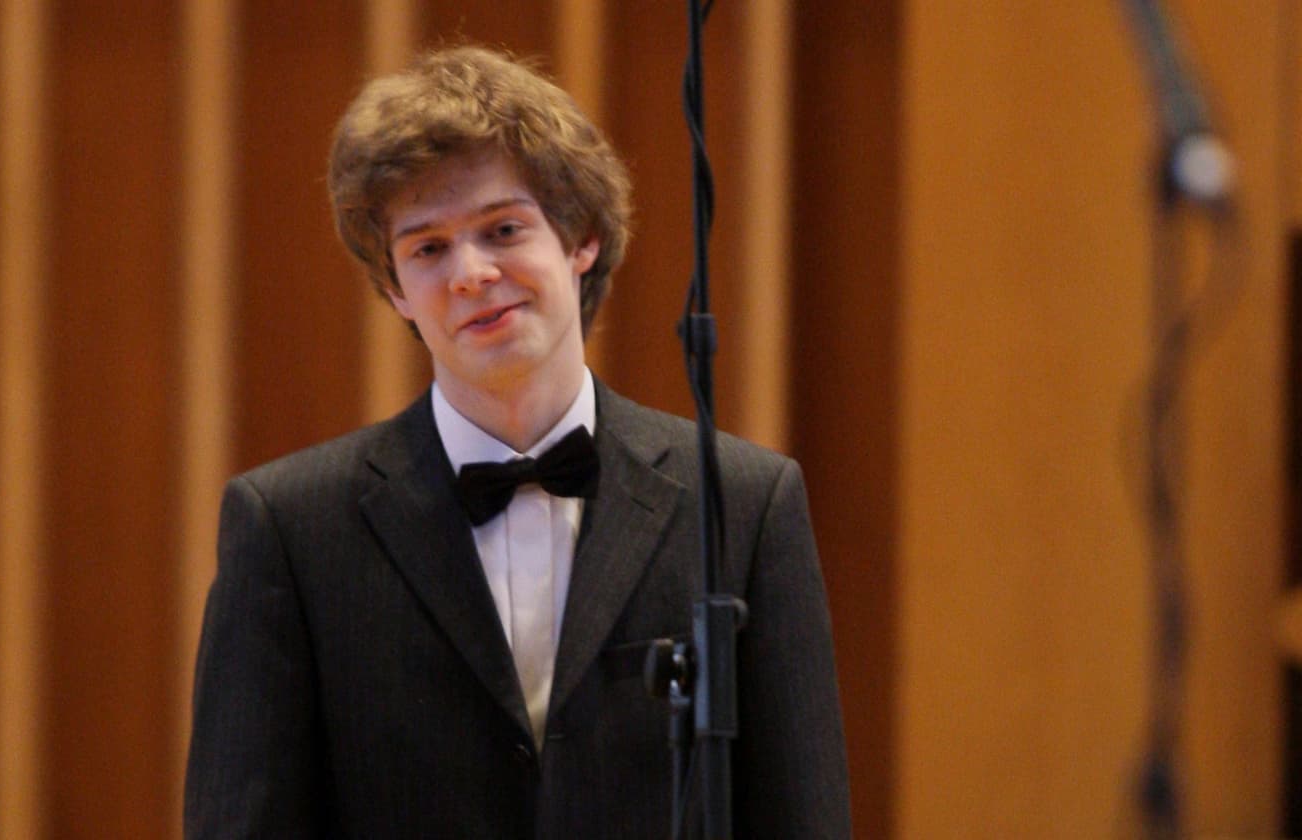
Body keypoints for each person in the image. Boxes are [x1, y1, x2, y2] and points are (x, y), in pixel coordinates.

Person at [184, 45, 850, 838]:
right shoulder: (291, 527)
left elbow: (804, 817)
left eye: (503, 229)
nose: (470, 272)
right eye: (428, 248)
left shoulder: (744, 502)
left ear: (581, 240)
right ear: (395, 288)